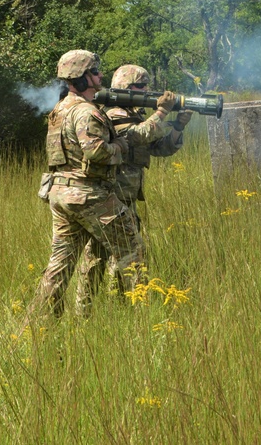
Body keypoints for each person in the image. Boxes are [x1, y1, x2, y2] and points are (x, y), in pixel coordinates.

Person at [28, 49, 144, 319]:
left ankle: (38, 328)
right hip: (88, 194)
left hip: (61, 195)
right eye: (94, 71)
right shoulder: (86, 112)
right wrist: (120, 145)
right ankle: (144, 318)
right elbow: (96, 152)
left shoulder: (59, 110)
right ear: (81, 77)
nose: (100, 74)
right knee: (132, 252)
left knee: (58, 270)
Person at [104, 64, 193, 229]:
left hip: (126, 196)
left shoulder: (135, 115)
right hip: (111, 197)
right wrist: (162, 112)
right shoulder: (113, 114)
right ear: (125, 87)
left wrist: (178, 127)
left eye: (146, 85)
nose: (146, 89)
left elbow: (159, 148)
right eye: (140, 85)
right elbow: (136, 136)